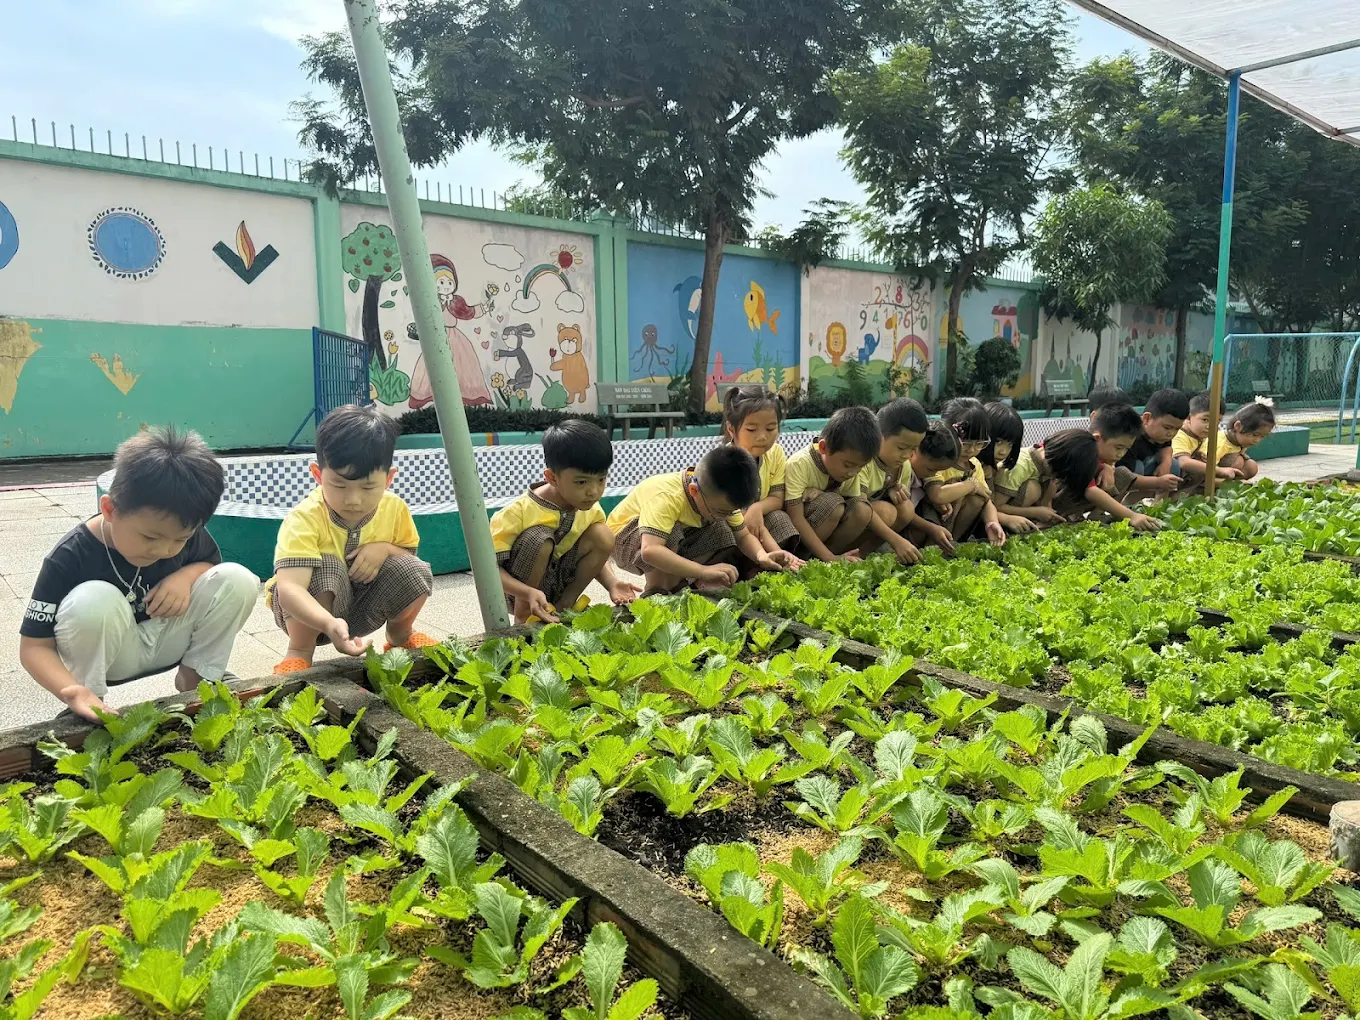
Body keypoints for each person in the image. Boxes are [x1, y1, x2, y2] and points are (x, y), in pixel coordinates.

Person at [19, 427, 258, 721]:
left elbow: (209, 564)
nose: (165, 550)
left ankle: (200, 678)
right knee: (92, 600)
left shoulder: (178, 529)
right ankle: (90, 700)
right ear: (109, 509)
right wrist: (71, 690)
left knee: (237, 579)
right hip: (113, 655)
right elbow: (34, 647)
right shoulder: (70, 555)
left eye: (181, 539)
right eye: (150, 537)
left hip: (168, 638)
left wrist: (185, 578)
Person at [268, 405, 436, 674]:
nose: (353, 500)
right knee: (328, 567)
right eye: (339, 485)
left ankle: (400, 635)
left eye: (368, 487)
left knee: (415, 569)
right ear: (317, 475)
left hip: (363, 606)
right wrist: (328, 623)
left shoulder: (394, 508)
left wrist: (385, 549)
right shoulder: (305, 518)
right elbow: (290, 591)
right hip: (306, 615)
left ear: (389, 478)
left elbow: (409, 561)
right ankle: (299, 651)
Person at [490, 420, 640, 624]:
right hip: (518, 592)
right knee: (539, 539)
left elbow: (597, 554)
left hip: (559, 581)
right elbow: (490, 571)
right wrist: (526, 592)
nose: (593, 491)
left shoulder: (590, 508)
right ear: (552, 477)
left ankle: (564, 608)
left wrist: (612, 583)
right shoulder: (516, 514)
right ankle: (524, 620)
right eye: (581, 482)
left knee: (602, 535)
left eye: (601, 479)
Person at [606, 445, 799, 595]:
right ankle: (656, 591)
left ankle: (677, 585)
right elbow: (650, 551)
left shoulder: (719, 500)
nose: (727, 514)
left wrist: (761, 556)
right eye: (721, 511)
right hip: (623, 541)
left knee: (723, 529)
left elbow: (743, 535)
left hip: (661, 539)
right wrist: (703, 571)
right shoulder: (667, 496)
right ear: (694, 491)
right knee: (670, 533)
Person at [858, 398, 955, 562]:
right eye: (902, 448)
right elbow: (858, 506)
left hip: (866, 520)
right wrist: (896, 540)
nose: (907, 455)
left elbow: (906, 512)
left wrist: (931, 528)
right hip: (846, 518)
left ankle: (863, 554)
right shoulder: (863, 461)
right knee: (886, 511)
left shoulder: (903, 467)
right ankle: (842, 554)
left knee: (906, 507)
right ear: (878, 435)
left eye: (913, 449)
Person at [921, 398, 1023, 546]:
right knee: (962, 489)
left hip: (953, 524)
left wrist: (992, 522)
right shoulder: (940, 461)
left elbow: (986, 499)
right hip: (928, 520)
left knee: (977, 498)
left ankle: (952, 543)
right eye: (966, 443)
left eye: (979, 444)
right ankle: (932, 548)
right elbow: (937, 495)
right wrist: (971, 484)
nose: (972, 450)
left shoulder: (975, 465)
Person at [783, 407, 880, 562]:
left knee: (862, 510)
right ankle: (807, 559)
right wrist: (830, 557)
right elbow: (796, 517)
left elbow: (855, 504)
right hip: (796, 532)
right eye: (848, 465)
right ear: (823, 448)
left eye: (860, 467)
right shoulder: (799, 464)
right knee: (833, 505)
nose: (853, 473)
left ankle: (825, 559)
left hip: (825, 537)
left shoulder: (851, 469)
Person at [719, 386, 800, 556]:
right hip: (733, 525)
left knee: (779, 518)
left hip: (757, 522)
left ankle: (767, 563)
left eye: (770, 428)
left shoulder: (776, 453)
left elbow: (777, 498)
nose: (763, 437)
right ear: (731, 429)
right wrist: (776, 553)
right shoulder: (724, 462)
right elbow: (738, 517)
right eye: (751, 429)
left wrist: (757, 509)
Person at [408, 254, 494, 409]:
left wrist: (484, 308)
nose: (446, 286)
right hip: (437, 338)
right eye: (441, 282)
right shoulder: (432, 301)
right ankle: (428, 396)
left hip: (455, 338)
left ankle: (466, 395)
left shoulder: (456, 301)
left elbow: (468, 312)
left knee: (463, 365)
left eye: (449, 282)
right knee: (432, 366)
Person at [1038, 426, 1163, 531]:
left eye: (1126, 449)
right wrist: (1132, 516)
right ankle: (1050, 516)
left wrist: (1106, 467)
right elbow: (1090, 491)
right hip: (1046, 502)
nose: (1121, 454)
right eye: (1118, 447)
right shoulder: (1078, 449)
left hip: (1049, 499)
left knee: (1121, 474)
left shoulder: (1086, 447)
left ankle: (1095, 515)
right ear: (1097, 439)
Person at [1113, 387, 1188, 503]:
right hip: (1122, 479)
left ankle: (1158, 505)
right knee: (1138, 466)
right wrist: (1158, 482)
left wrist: (1166, 463)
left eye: (1177, 429)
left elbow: (1167, 447)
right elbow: (1123, 476)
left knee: (1173, 464)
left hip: (1147, 473)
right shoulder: (1131, 437)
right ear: (1147, 419)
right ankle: (1126, 505)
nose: (1171, 434)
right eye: (1167, 428)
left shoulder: (1162, 435)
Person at [1173, 391, 1259, 488]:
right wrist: (1219, 470)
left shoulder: (1206, 435)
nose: (1210, 426)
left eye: (1217, 421)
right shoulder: (1180, 435)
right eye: (1205, 420)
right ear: (1189, 417)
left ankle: (1219, 484)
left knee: (1243, 462)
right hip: (1180, 478)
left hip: (1201, 473)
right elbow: (1184, 462)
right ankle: (1219, 484)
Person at [904, 422, 963, 552]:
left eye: (937, 472)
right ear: (915, 450)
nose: (932, 475)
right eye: (930, 469)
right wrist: (931, 528)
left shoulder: (920, 474)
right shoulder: (903, 470)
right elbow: (903, 510)